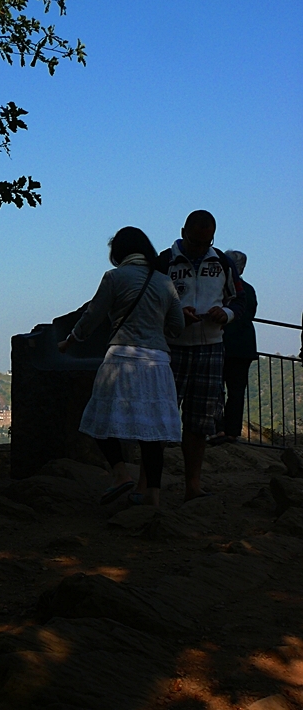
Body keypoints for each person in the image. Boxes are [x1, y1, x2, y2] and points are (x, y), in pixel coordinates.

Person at [59, 226, 184, 507]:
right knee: (152, 431)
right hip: (157, 363)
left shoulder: (114, 277)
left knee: (100, 420)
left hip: (121, 357)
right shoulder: (164, 282)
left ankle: (119, 474)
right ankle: (152, 492)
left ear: (118, 253)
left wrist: (71, 340)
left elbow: (93, 315)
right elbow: (177, 327)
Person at [156, 210, 248, 502]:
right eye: (194, 242)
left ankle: (192, 484)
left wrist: (227, 313)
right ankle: (151, 485)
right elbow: (149, 301)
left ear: (212, 238)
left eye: (204, 242)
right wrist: (175, 316)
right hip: (172, 348)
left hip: (211, 345)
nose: (198, 247)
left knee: (199, 422)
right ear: (183, 232)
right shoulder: (164, 262)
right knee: (161, 418)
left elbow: (241, 299)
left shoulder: (222, 262)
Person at [213, 250, 257, 444]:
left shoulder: (221, 288)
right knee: (237, 390)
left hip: (221, 343)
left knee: (216, 388)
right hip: (244, 346)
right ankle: (233, 431)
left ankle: (218, 428)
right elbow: (251, 312)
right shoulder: (248, 289)